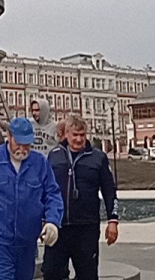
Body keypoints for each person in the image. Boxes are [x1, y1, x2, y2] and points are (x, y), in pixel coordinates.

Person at [0, 118, 64, 280]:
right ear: (9, 136)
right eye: (18, 143)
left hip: (27, 239)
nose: (22, 149)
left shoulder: (40, 163)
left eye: (27, 144)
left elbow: (52, 194)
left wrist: (52, 221)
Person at [44, 114, 120, 280]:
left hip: (86, 227)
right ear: (66, 134)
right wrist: (43, 218)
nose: (79, 139)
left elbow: (109, 190)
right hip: (59, 226)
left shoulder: (98, 158)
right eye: (75, 135)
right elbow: (45, 190)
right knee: (51, 273)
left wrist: (112, 220)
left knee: (87, 275)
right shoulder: (54, 155)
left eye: (82, 135)